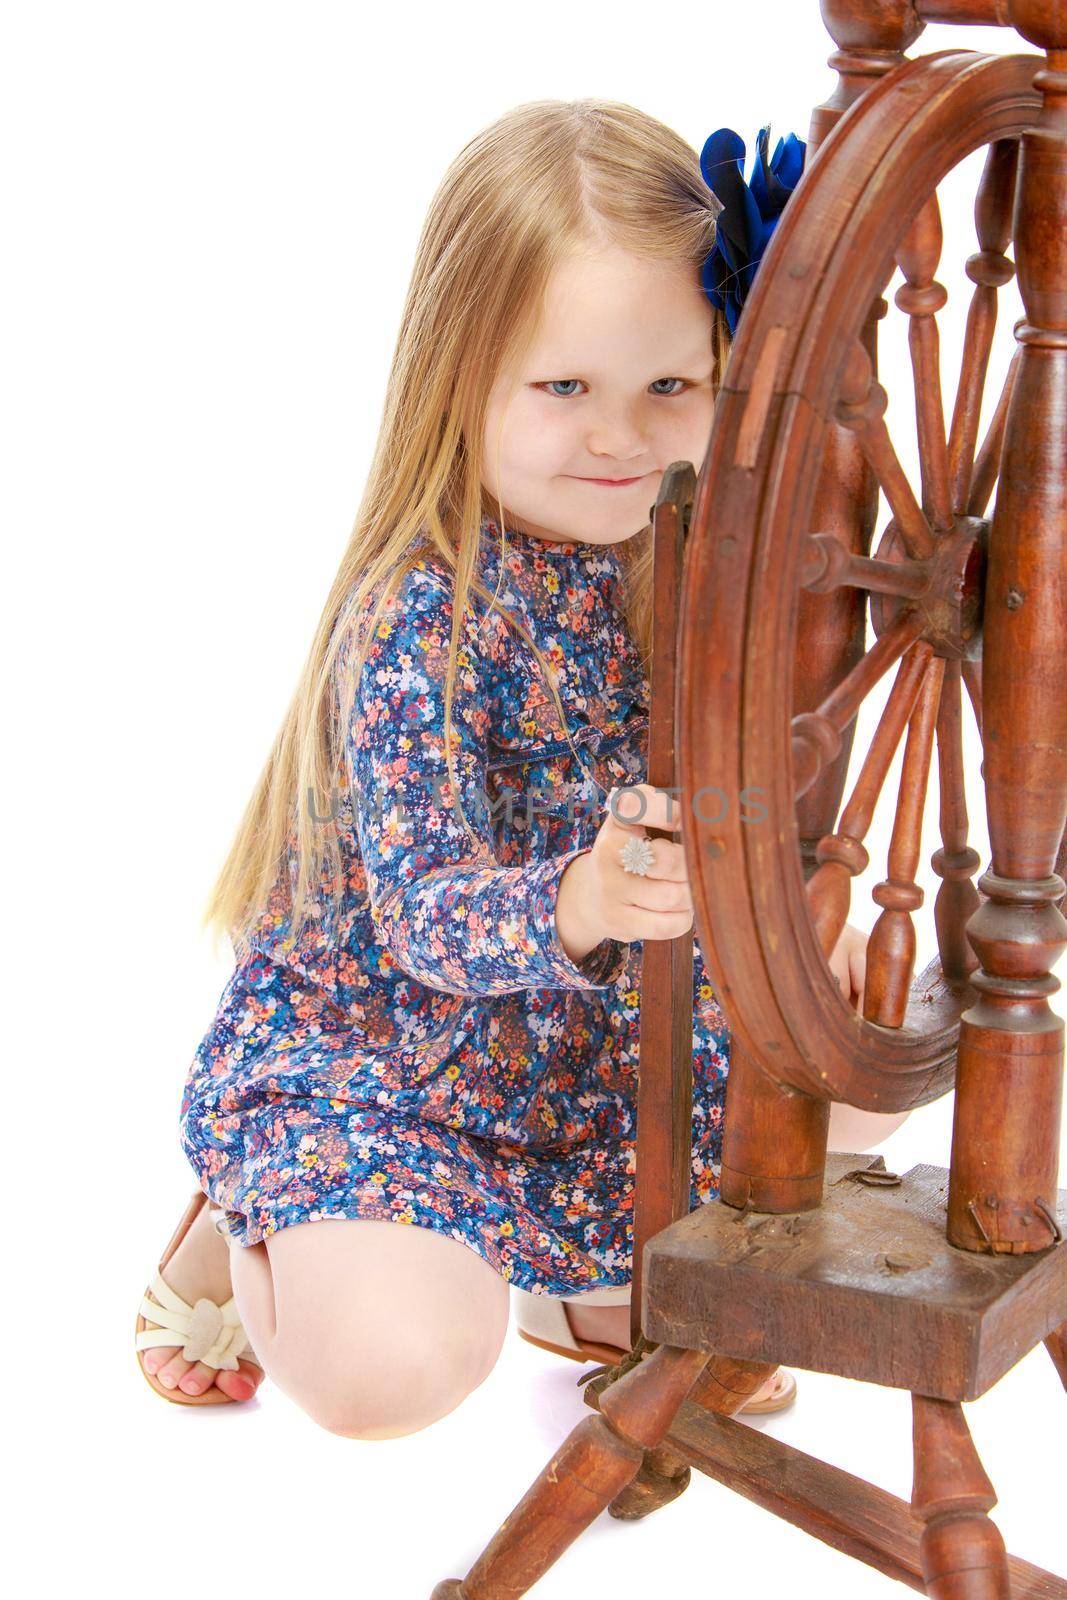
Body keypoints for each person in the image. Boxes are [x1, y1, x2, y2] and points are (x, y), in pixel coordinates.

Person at [135, 97, 883, 1438]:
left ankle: (574, 1286)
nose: (620, 436)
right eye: (564, 388)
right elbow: (425, 919)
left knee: (867, 1093)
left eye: (671, 385)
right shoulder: (423, 609)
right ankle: (246, 1214)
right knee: (388, 1377)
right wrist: (581, 903)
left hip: (606, 1049)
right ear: (457, 375)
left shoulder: (693, 550)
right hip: (406, 1054)